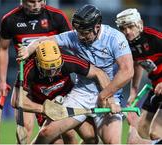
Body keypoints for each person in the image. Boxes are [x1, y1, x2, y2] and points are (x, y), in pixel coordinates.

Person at [18, 4, 134, 144]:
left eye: (84, 33)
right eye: (77, 31)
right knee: (46, 133)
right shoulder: (74, 36)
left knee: (112, 143)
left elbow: (127, 71)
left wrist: (106, 96)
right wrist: (28, 49)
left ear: (97, 27)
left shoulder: (115, 38)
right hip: (81, 94)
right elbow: (45, 40)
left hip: (109, 93)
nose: (80, 36)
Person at [0, 0, 75, 143]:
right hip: (27, 80)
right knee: (24, 129)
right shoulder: (10, 20)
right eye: (32, 2)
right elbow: (2, 49)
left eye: (40, 0)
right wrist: (2, 81)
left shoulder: (57, 16)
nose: (37, 5)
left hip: (55, 81)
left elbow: (71, 44)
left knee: (63, 136)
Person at [17, 40, 112, 143]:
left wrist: (110, 100)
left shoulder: (67, 59)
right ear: (38, 62)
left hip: (69, 99)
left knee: (91, 138)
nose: (53, 73)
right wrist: (44, 109)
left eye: (56, 69)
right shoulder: (28, 68)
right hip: (45, 104)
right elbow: (17, 101)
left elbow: (99, 73)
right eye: (48, 70)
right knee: (56, 137)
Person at [115, 8, 162, 144]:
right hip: (155, 88)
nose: (127, 32)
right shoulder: (128, 45)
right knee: (140, 132)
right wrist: (133, 92)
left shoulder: (155, 37)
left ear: (139, 23)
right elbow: (137, 65)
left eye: (130, 26)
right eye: (123, 28)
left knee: (155, 133)